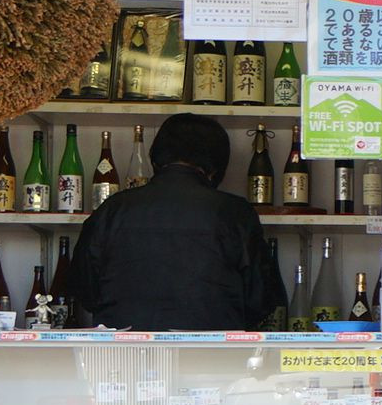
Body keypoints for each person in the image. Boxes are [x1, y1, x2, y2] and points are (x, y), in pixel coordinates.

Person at [66, 112, 282, 330]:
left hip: (125, 345)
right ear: (216, 165)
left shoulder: (112, 209)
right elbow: (260, 299)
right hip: (213, 346)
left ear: (156, 157)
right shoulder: (235, 212)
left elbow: (83, 289)